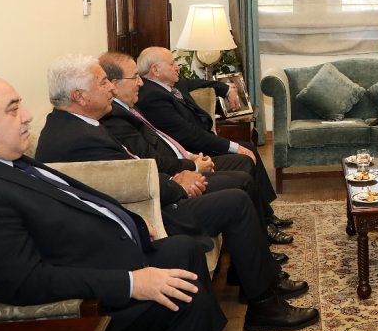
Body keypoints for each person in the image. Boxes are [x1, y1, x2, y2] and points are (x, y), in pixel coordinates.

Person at [0, 74, 226, 331]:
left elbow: (75, 198)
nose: (27, 116)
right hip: (78, 304)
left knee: (185, 249)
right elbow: (24, 282)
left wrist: (129, 221)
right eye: (13, 109)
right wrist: (132, 283)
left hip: (97, 256)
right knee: (187, 298)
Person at [33, 56, 317, 331]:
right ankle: (264, 307)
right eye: (103, 82)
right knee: (236, 202)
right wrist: (179, 183)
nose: (111, 87)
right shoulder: (78, 138)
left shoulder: (79, 125)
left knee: (237, 191)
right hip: (153, 214)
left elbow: (133, 169)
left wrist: (179, 177)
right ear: (80, 96)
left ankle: (256, 282)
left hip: (157, 196)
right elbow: (130, 178)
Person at [97, 52, 289, 262]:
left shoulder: (157, 91)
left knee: (245, 155)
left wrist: (224, 87)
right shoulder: (144, 100)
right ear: (156, 70)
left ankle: (265, 221)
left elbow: (194, 84)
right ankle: (261, 232)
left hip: (185, 155)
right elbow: (177, 142)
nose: (177, 67)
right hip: (181, 165)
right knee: (243, 163)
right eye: (172, 64)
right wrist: (193, 164)